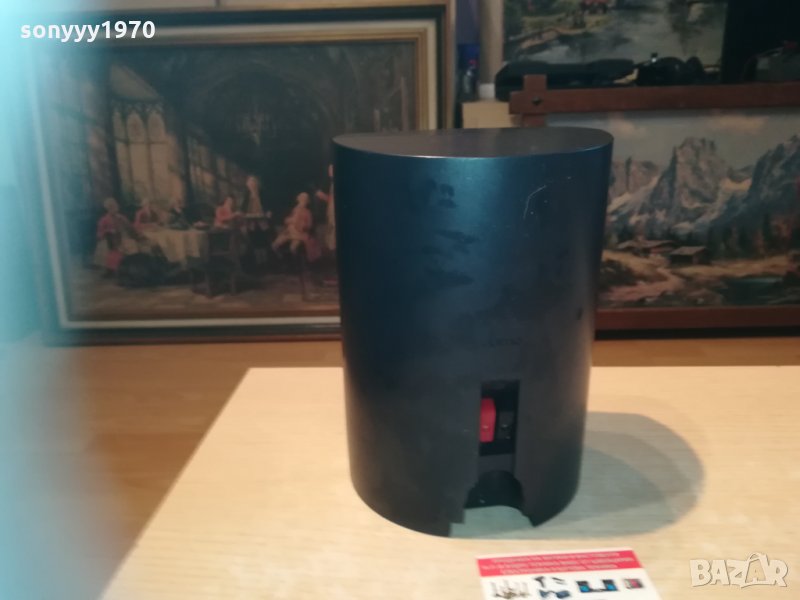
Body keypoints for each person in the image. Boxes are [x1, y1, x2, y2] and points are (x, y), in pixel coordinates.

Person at [95, 197, 140, 275]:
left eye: (115, 206)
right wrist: (108, 231)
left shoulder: (121, 217)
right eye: (111, 207)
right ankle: (111, 269)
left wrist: (135, 232)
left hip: (123, 238)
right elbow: (99, 233)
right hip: (111, 240)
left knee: (133, 245)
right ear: (108, 209)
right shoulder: (104, 220)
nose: (114, 209)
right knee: (113, 250)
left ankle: (129, 267)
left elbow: (130, 227)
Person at [314, 164, 336, 251]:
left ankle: (333, 249)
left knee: (333, 229)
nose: (329, 172)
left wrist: (321, 195)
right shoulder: (332, 183)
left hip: (333, 212)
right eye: (329, 170)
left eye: (331, 169)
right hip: (330, 211)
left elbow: (332, 200)